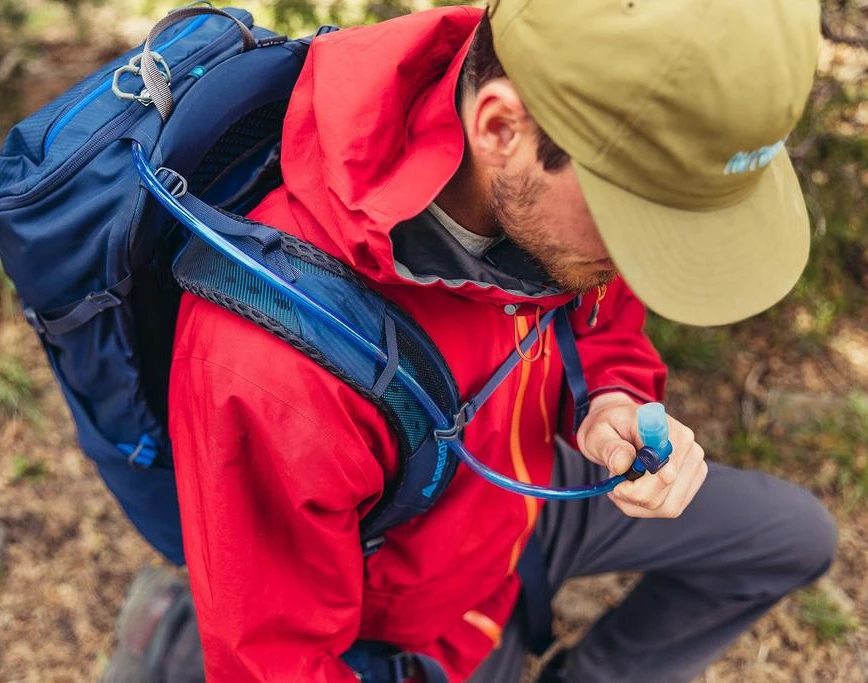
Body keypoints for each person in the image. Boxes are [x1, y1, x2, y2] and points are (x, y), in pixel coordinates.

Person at [104, 1, 837, 681]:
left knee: (789, 537)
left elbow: (599, 313)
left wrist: (613, 394)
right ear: (500, 129)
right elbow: (276, 662)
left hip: (521, 497)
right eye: (635, 223)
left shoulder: (540, 129)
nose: (639, 261)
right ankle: (171, 640)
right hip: (422, 616)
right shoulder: (272, 360)